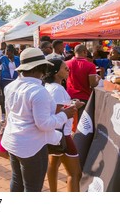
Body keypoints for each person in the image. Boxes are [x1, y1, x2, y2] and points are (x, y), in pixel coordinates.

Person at [1, 48, 77, 192]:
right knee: (32, 188)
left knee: (17, 181)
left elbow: (10, 114)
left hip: (13, 141)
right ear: (41, 67)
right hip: (31, 147)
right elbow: (44, 124)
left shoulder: (11, 86)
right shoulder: (38, 91)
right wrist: (65, 115)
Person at [43, 59, 84, 192]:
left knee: (53, 165)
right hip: (62, 135)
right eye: (65, 68)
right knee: (75, 173)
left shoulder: (48, 86)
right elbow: (57, 112)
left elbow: (54, 108)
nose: (68, 70)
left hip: (53, 134)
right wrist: (74, 106)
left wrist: (70, 104)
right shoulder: (58, 89)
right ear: (55, 72)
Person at [66, 44, 100, 122]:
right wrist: (98, 80)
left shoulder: (66, 63)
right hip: (84, 97)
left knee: (70, 123)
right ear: (85, 52)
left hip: (69, 96)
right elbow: (92, 84)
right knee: (82, 124)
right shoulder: (91, 65)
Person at [0, 44, 20, 122]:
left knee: (14, 98)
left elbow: (20, 68)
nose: (6, 53)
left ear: (11, 52)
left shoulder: (17, 59)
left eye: (7, 51)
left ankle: (12, 114)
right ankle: (3, 114)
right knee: (4, 98)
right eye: (5, 51)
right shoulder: (3, 58)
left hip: (15, 81)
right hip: (4, 80)